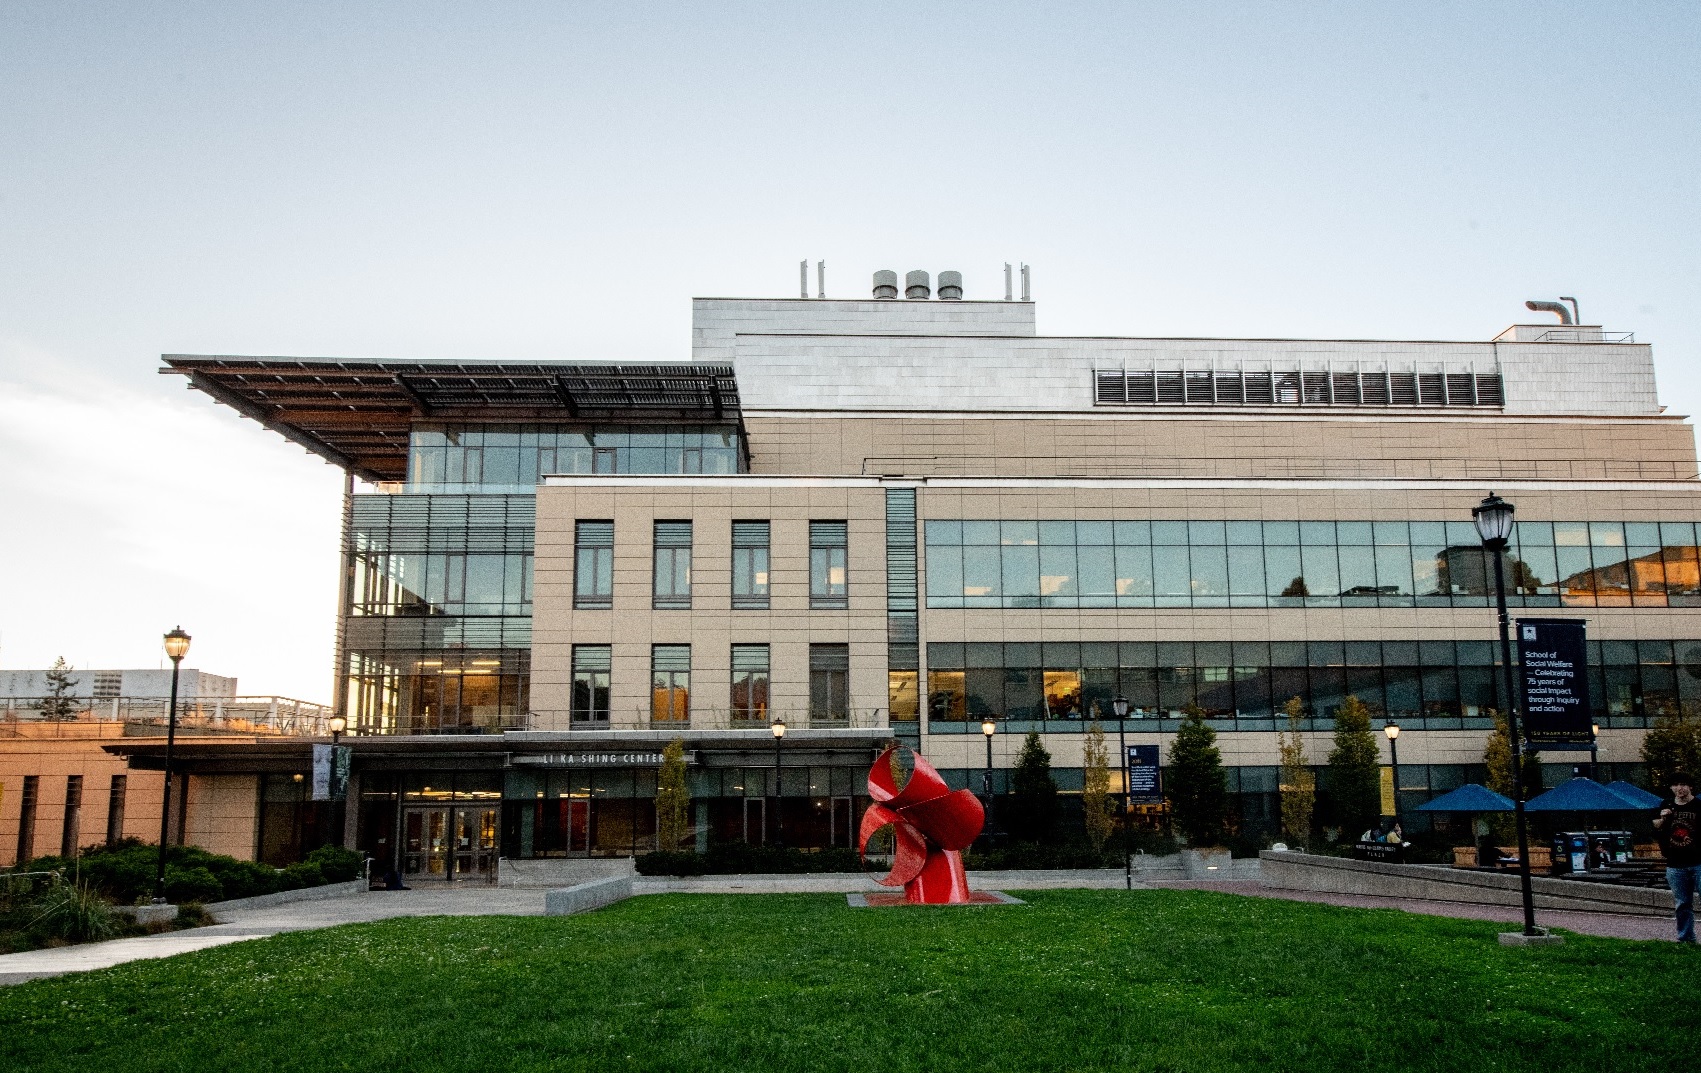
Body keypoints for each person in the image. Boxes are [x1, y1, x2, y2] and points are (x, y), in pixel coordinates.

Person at [1652, 772, 1701, 943]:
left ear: (1690, 787)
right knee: (1682, 903)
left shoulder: (1698, 806)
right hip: (1675, 863)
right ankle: (1686, 938)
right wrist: (1663, 819)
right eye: (1676, 785)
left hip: (1698, 861)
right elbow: (1655, 828)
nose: (1679, 788)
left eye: (1683, 784)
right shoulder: (1666, 805)